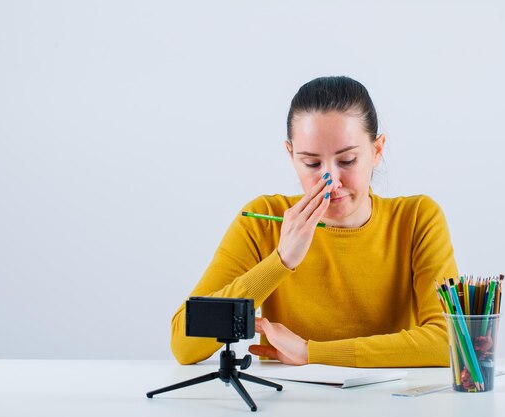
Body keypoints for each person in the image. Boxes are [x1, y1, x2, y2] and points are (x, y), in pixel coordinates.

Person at [171, 76, 457, 367]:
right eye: (311, 164)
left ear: (377, 150)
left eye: (347, 161)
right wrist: (281, 261)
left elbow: (451, 341)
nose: (330, 182)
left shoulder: (417, 218)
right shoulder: (262, 221)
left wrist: (312, 353)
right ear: (291, 155)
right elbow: (184, 344)